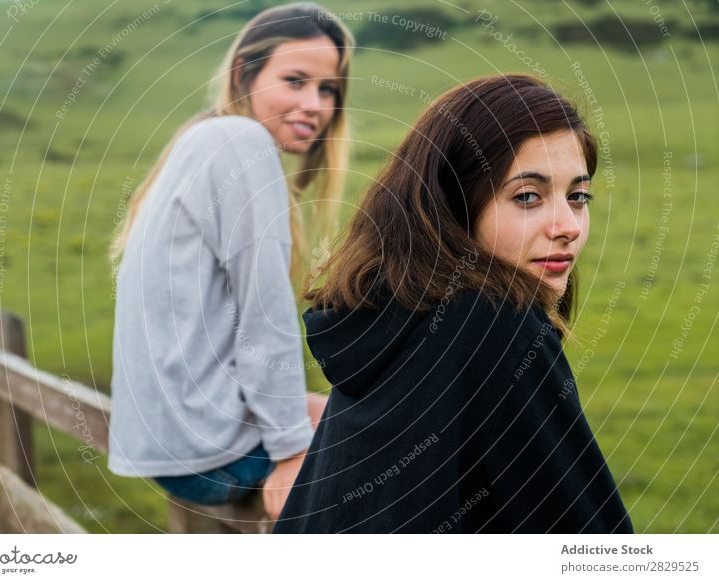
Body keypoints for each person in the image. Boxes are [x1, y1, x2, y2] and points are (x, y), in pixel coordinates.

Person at [273, 74, 634, 533]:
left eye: (578, 196)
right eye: (528, 197)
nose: (568, 225)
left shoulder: (393, 313)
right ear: (454, 206)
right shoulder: (494, 325)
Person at [107, 3, 354, 521]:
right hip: (210, 456)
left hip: (169, 443)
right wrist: (289, 452)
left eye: (327, 89)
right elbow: (264, 320)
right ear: (246, 73)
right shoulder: (243, 144)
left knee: (373, 418)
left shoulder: (202, 137)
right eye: (294, 80)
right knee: (403, 447)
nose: (314, 103)